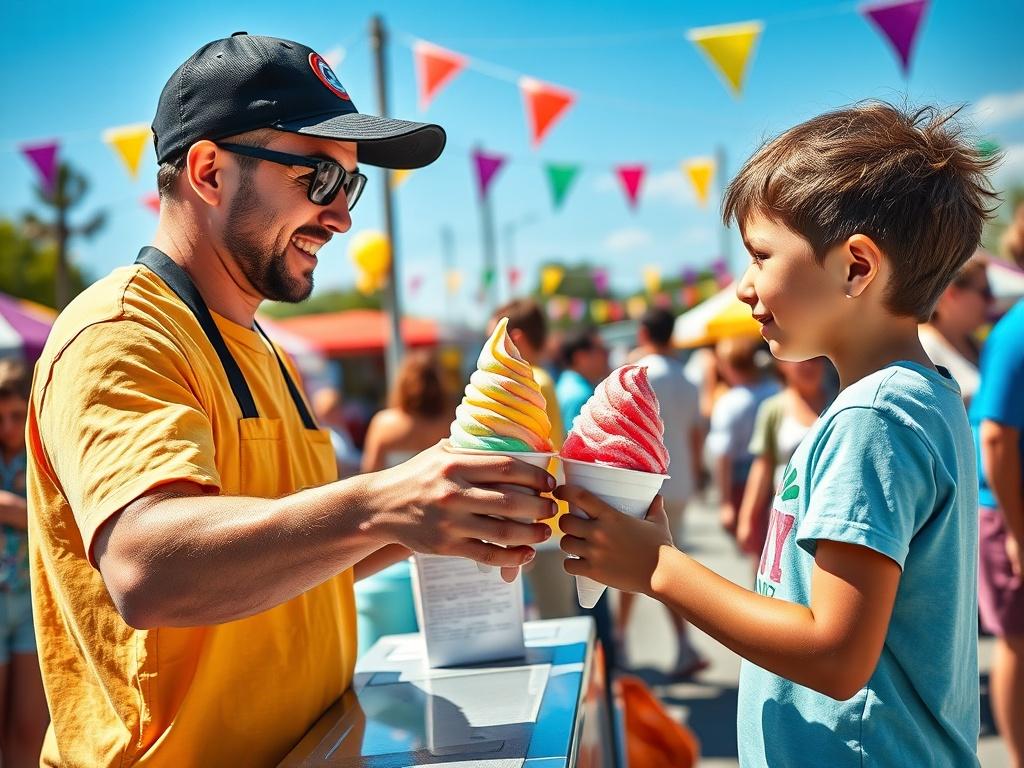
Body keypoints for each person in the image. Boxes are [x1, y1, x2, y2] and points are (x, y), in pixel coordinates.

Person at [27, 34, 555, 767]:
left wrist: (439, 515)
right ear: (209, 171)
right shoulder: (121, 330)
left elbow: (294, 552)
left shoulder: (262, 343)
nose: (342, 217)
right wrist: (380, 503)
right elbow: (147, 569)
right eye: (318, 179)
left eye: (352, 186)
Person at [557, 102, 996, 766]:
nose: (742, 286)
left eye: (761, 255)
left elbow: (836, 653)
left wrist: (657, 568)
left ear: (855, 268)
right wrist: (663, 549)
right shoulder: (918, 397)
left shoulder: (872, 418)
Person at [619, 308, 705, 674]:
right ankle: (684, 645)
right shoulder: (686, 378)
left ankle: (620, 642)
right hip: (680, 479)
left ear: (642, 332)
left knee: (630, 566)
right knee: (672, 564)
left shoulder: (638, 374)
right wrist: (698, 473)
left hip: (643, 481)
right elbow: (695, 433)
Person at [971, 200, 1024, 767]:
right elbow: (996, 439)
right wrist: (1016, 529)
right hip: (1009, 514)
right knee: (1017, 645)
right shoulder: (1015, 332)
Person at [489, 299, 576, 619]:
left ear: (518, 340)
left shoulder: (527, 381)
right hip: (547, 522)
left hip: (533, 523)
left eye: (493, 339)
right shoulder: (544, 379)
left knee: (546, 621)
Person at [0, 360, 47, 767]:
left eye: (17, 415)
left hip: (32, 602)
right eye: (0, 418)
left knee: (31, 729)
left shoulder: (41, 452)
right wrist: (29, 511)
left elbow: (55, 518)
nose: (8, 428)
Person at [736, 358, 831, 560]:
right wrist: (747, 518)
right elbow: (763, 465)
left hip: (828, 516)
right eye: (801, 361)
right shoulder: (774, 409)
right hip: (786, 516)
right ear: (783, 365)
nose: (809, 366)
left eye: (816, 360)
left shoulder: (838, 402)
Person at [706, 337, 779, 537]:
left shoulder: (729, 403)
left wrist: (725, 502)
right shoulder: (776, 390)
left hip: (741, 481)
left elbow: (723, 456)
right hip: (777, 474)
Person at [919, 252, 992, 405]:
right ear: (951, 293)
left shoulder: (977, 344)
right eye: (986, 292)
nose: (992, 300)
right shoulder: (923, 348)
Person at [556, 326, 609, 430]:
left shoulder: (566, 384)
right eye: (600, 349)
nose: (606, 354)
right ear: (580, 357)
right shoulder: (581, 396)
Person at [311, 386, 362, 478]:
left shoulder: (339, 430)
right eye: (335, 408)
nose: (340, 411)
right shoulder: (327, 435)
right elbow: (343, 462)